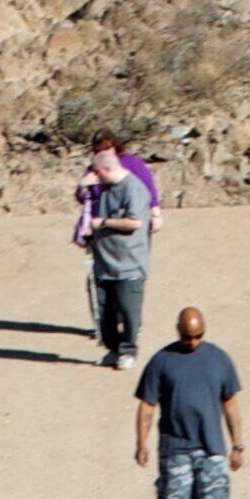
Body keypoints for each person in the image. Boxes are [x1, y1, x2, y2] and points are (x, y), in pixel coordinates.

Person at [130, 304, 245, 499]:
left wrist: (237, 445)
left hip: (211, 447)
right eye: (187, 337)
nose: (192, 342)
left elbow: (230, 405)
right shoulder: (161, 362)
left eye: (197, 336)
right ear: (178, 332)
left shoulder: (219, 360)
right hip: (175, 448)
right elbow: (147, 406)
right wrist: (141, 443)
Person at [83, 137, 153, 369]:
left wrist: (103, 223)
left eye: (97, 173)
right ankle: (112, 349)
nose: (95, 177)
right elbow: (87, 210)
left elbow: (134, 223)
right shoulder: (103, 190)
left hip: (129, 264)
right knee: (104, 313)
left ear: (105, 169)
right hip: (103, 264)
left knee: (129, 311)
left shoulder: (133, 188)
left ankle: (128, 351)